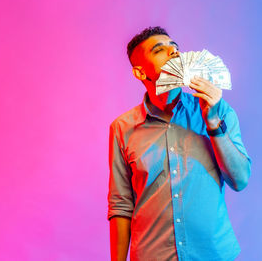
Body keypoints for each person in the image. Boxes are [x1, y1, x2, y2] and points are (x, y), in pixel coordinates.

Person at [108, 26, 252, 261]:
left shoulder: (219, 110)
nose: (173, 52)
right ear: (140, 73)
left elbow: (240, 180)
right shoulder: (122, 128)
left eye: (175, 47)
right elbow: (120, 205)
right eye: (160, 50)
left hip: (213, 255)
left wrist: (213, 122)